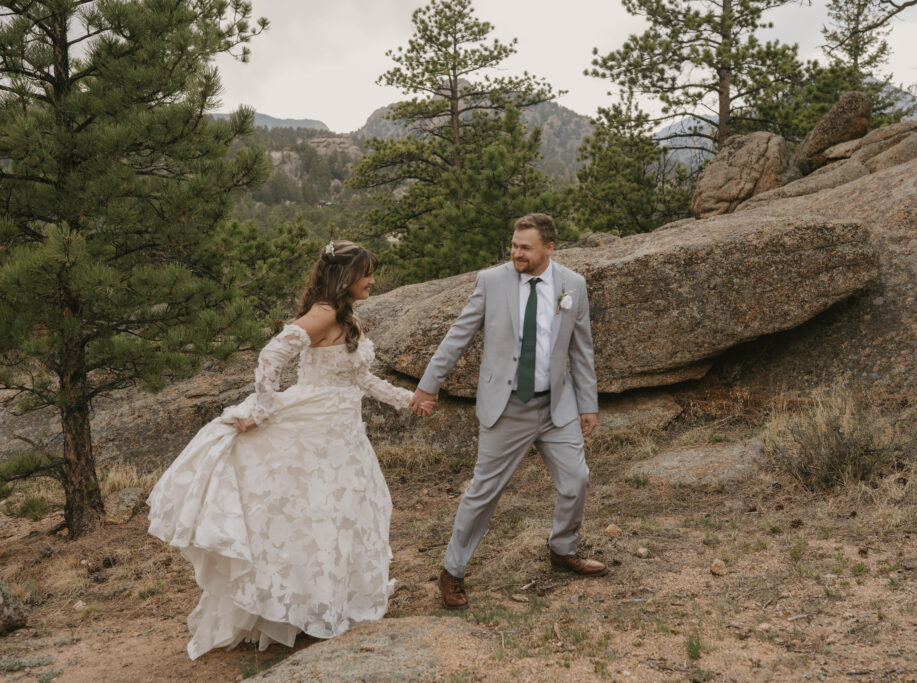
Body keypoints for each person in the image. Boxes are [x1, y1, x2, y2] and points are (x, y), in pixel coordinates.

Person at [147, 241, 414, 659]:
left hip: (341, 432)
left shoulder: (345, 315)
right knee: (309, 514)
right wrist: (263, 408)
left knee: (337, 514)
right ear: (345, 277)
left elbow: (360, 378)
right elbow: (272, 354)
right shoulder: (324, 313)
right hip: (313, 427)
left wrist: (407, 399)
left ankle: (326, 603)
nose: (372, 281)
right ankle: (297, 608)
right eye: (366, 274)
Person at [409, 213, 606, 610]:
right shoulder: (491, 281)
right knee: (483, 492)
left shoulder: (573, 285)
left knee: (577, 480)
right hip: (506, 407)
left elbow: (581, 349)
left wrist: (587, 404)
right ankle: (452, 570)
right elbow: (458, 335)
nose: (516, 253)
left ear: (549, 248)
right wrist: (429, 384)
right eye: (514, 246)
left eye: (525, 248)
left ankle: (562, 548)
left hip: (557, 405)